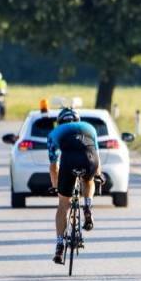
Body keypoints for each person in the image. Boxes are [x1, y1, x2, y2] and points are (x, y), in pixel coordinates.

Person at [47, 107, 101, 264]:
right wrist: (97, 175)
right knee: (88, 180)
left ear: (60, 121)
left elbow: (53, 166)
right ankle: (88, 206)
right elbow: (97, 155)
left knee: (63, 205)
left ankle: (59, 245)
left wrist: (56, 186)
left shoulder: (55, 133)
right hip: (90, 159)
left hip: (69, 161)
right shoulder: (89, 127)